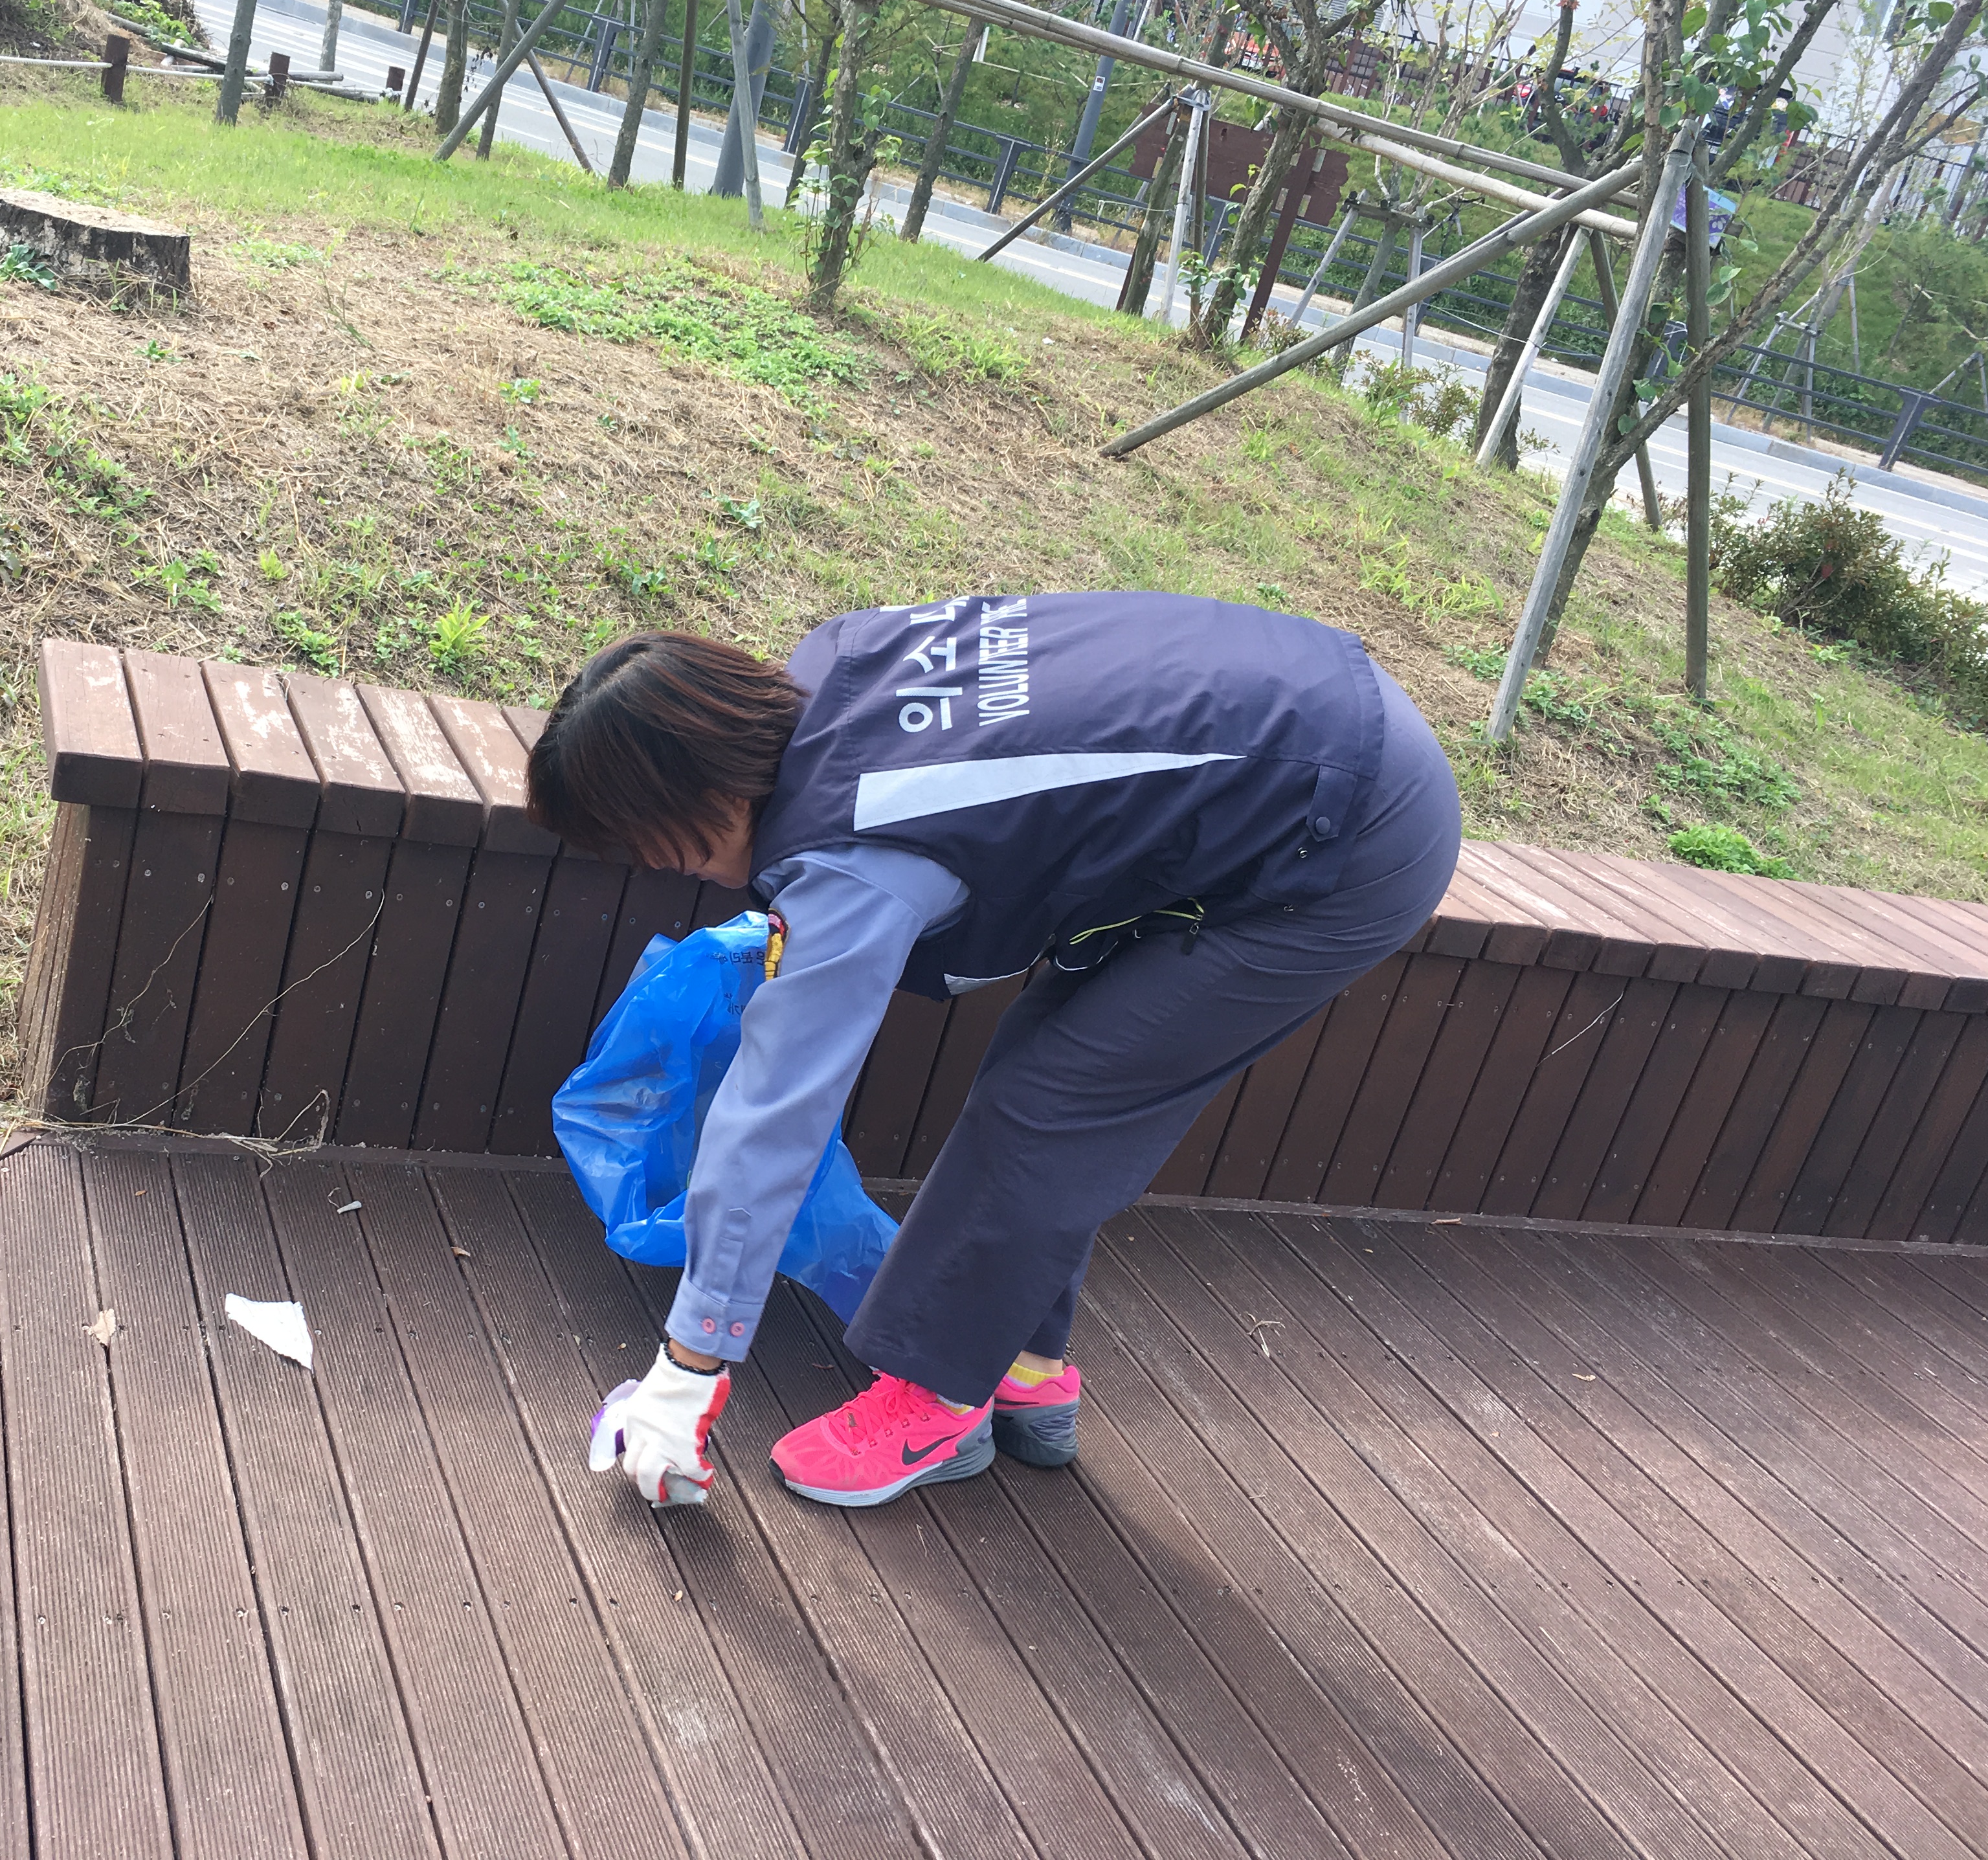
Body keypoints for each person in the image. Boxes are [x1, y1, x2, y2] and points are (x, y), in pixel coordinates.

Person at [529, 590, 1462, 1510]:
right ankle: (1021, 1365)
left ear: (700, 791)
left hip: (1351, 828)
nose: (664, 869)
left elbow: (775, 1111)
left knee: (1054, 1104)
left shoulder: (857, 859)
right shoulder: (833, 667)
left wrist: (689, 1365)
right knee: (1053, 1067)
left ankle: (939, 1402)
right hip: (1304, 720)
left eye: (653, 845)